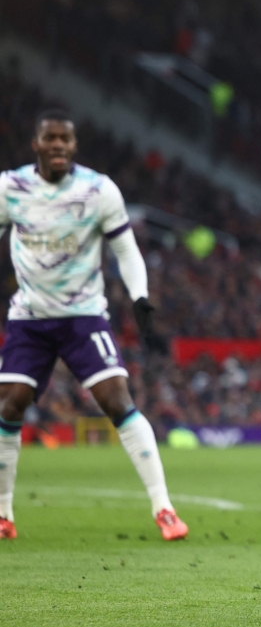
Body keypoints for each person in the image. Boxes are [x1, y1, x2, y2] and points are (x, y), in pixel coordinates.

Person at [0, 110, 187, 541]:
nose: (59, 145)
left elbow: (126, 249)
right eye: (51, 138)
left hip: (83, 314)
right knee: (10, 404)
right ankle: (5, 514)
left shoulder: (98, 190)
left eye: (66, 138)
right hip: (29, 316)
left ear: (74, 145)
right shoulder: (11, 188)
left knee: (118, 400)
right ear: (37, 144)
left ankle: (164, 510)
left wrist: (139, 296)